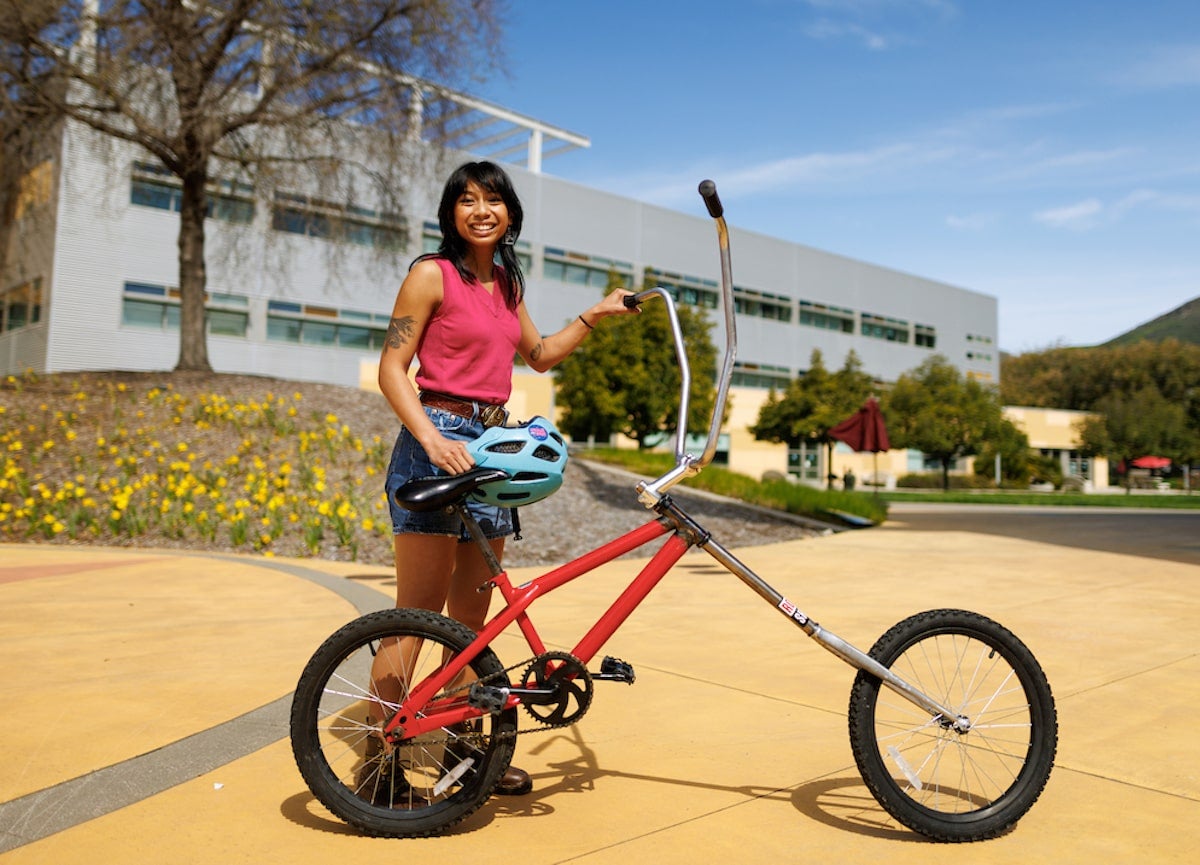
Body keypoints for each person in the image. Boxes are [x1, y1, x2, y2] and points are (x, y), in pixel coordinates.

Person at [372, 160, 636, 799]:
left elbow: (539, 355)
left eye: (493, 199)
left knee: (471, 621)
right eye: (467, 200)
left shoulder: (507, 287)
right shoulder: (430, 275)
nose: (481, 210)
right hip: (437, 438)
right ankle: (381, 761)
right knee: (418, 616)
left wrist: (596, 314)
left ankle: (461, 754)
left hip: (492, 450)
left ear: (510, 213)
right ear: (451, 213)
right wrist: (431, 440)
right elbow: (391, 365)